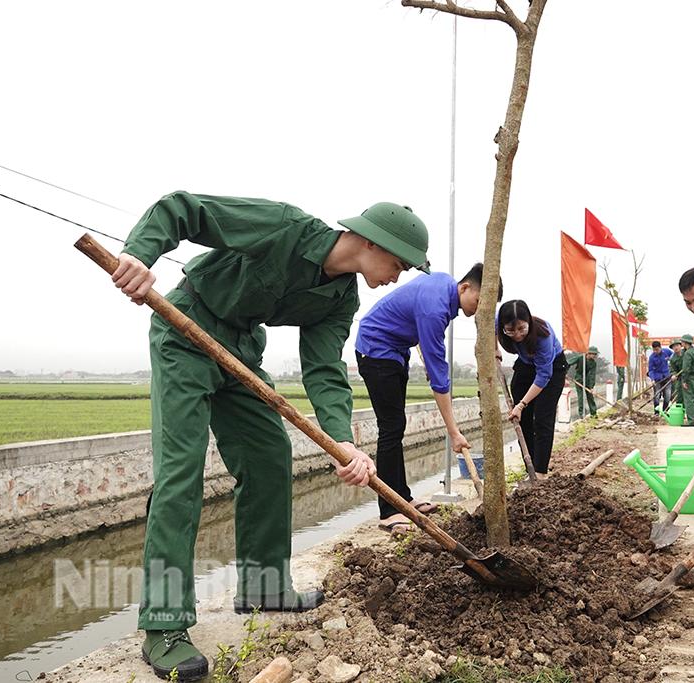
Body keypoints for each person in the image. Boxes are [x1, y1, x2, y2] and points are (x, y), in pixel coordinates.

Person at [112, 192, 428, 680]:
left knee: (269, 456)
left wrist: (341, 440)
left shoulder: (342, 297)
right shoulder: (284, 227)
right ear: (369, 241)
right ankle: (163, 626)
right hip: (185, 333)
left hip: (239, 351)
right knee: (181, 473)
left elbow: (324, 369)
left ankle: (264, 586)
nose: (398, 275)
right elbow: (185, 209)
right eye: (399, 263)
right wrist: (139, 254)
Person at [355, 263, 499, 535]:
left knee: (396, 427)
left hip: (395, 352)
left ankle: (403, 498)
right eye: (479, 301)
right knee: (391, 428)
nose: (479, 309)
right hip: (376, 350)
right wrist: (454, 433)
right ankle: (388, 511)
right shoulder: (435, 308)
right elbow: (438, 375)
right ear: (465, 287)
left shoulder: (445, 286)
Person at [497, 300, 569, 476]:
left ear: (528, 321)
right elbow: (489, 326)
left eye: (522, 328)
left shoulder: (543, 336)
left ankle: (540, 472)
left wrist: (521, 404)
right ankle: (530, 467)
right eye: (510, 330)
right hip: (526, 363)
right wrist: (495, 349)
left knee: (543, 418)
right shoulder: (498, 321)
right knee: (523, 420)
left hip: (552, 368)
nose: (517, 335)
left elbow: (544, 375)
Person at [567, 346, 599, 418]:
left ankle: (593, 413)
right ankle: (581, 413)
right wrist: (565, 372)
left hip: (587, 380)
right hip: (578, 379)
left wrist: (591, 387)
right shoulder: (580, 358)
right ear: (589, 353)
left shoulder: (593, 363)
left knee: (590, 396)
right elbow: (568, 363)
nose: (594, 356)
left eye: (595, 354)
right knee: (580, 397)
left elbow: (592, 375)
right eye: (593, 354)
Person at [679, 334, 694, 426]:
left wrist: (684, 380)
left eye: (682, 342)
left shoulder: (688, 353)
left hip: (688, 377)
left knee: (688, 399)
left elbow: (686, 368)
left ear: (685, 342)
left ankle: (691, 421)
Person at [647, 340, 673, 413]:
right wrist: (652, 379)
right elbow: (651, 370)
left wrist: (671, 362)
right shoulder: (652, 357)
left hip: (667, 377)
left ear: (660, 348)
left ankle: (665, 411)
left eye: (657, 349)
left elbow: (674, 357)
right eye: (654, 350)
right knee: (657, 396)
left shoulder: (667, 352)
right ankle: (656, 412)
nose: (656, 351)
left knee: (668, 395)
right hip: (657, 379)